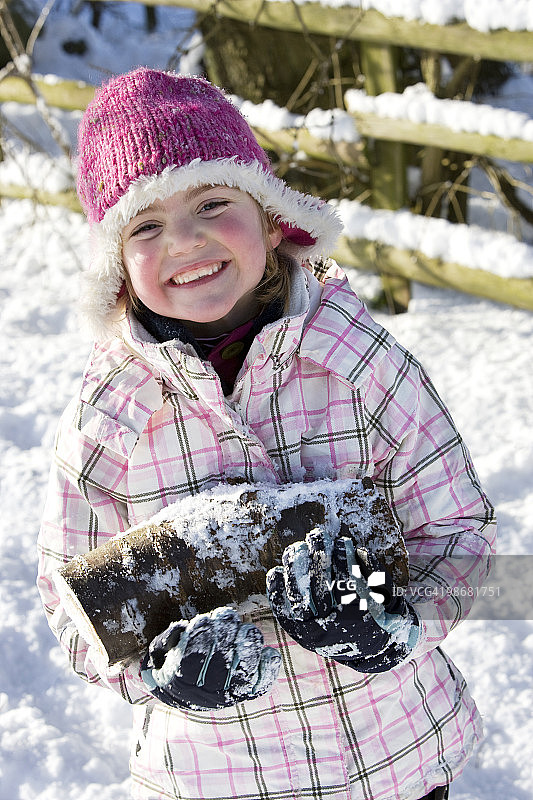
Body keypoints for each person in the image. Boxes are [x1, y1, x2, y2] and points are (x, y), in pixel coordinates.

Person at [37, 67, 496, 800]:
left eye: (211, 202)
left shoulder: (360, 364)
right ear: (118, 271)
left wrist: (397, 620)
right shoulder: (108, 421)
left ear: (273, 219)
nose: (184, 241)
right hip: (223, 777)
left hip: (394, 762)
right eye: (146, 226)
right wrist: (160, 675)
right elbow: (73, 606)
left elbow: (459, 531)